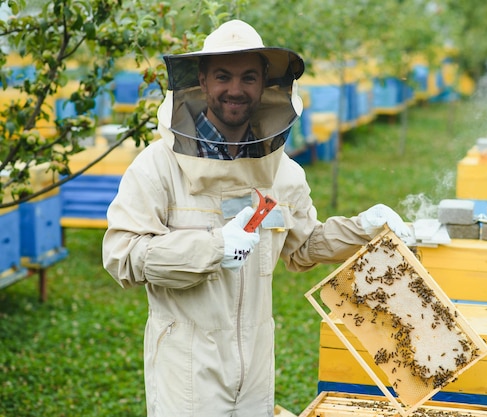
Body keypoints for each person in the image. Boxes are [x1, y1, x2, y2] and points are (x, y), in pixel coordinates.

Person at [102, 19, 413, 417]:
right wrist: (212, 248)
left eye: (248, 77)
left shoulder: (283, 172)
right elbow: (121, 255)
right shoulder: (157, 167)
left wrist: (364, 229)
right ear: (201, 79)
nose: (235, 89)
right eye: (223, 76)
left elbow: (303, 248)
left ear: (266, 82)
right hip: (186, 369)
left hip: (256, 368)